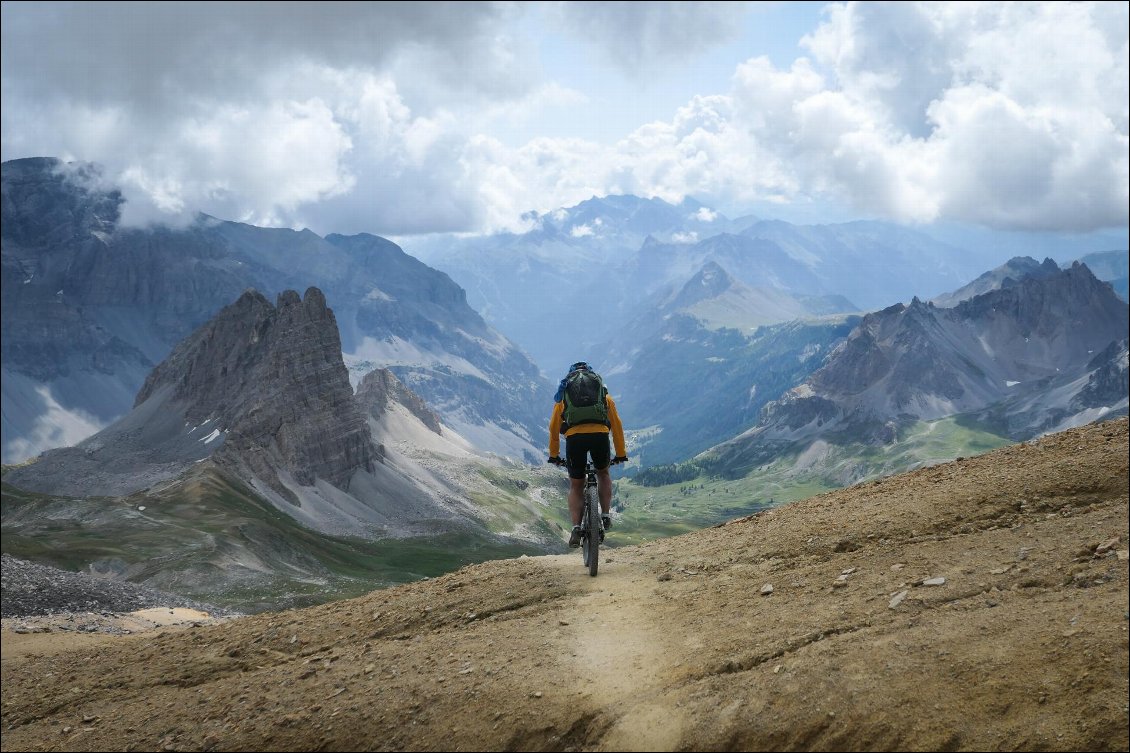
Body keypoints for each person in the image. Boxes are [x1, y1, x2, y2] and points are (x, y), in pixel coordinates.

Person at [547, 361, 628, 548]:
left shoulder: (564, 397)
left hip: (575, 440)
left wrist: (554, 454)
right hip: (599, 436)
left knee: (576, 485)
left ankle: (576, 527)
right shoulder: (604, 397)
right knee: (603, 473)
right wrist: (621, 453)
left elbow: (553, 427)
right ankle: (606, 515)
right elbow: (616, 425)